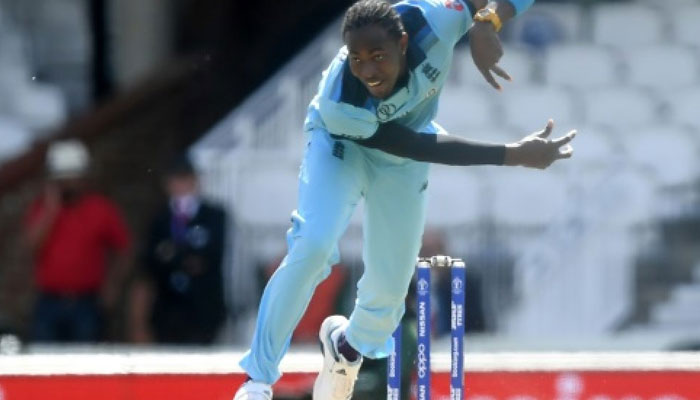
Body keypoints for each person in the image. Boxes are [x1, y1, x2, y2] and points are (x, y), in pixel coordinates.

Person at [234, 0, 575, 398]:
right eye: (357, 59)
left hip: (400, 158)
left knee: (390, 290)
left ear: (403, 42)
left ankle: (346, 349)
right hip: (341, 146)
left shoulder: (439, 20)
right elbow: (413, 145)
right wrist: (512, 155)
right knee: (313, 244)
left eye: (378, 57)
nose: (368, 72)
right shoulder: (340, 101)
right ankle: (258, 380)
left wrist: (488, 22)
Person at [23, 140, 131, 343]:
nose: (68, 183)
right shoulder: (42, 208)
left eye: (72, 177)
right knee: (43, 357)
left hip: (86, 302)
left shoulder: (100, 208)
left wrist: (112, 285)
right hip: (49, 301)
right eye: (62, 178)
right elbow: (32, 246)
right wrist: (51, 211)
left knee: (85, 356)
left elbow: (123, 249)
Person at [128, 156, 227, 344]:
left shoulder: (214, 216)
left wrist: (172, 256)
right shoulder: (159, 219)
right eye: (176, 179)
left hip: (203, 309)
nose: (181, 185)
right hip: (167, 309)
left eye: (185, 179)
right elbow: (150, 264)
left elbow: (209, 257)